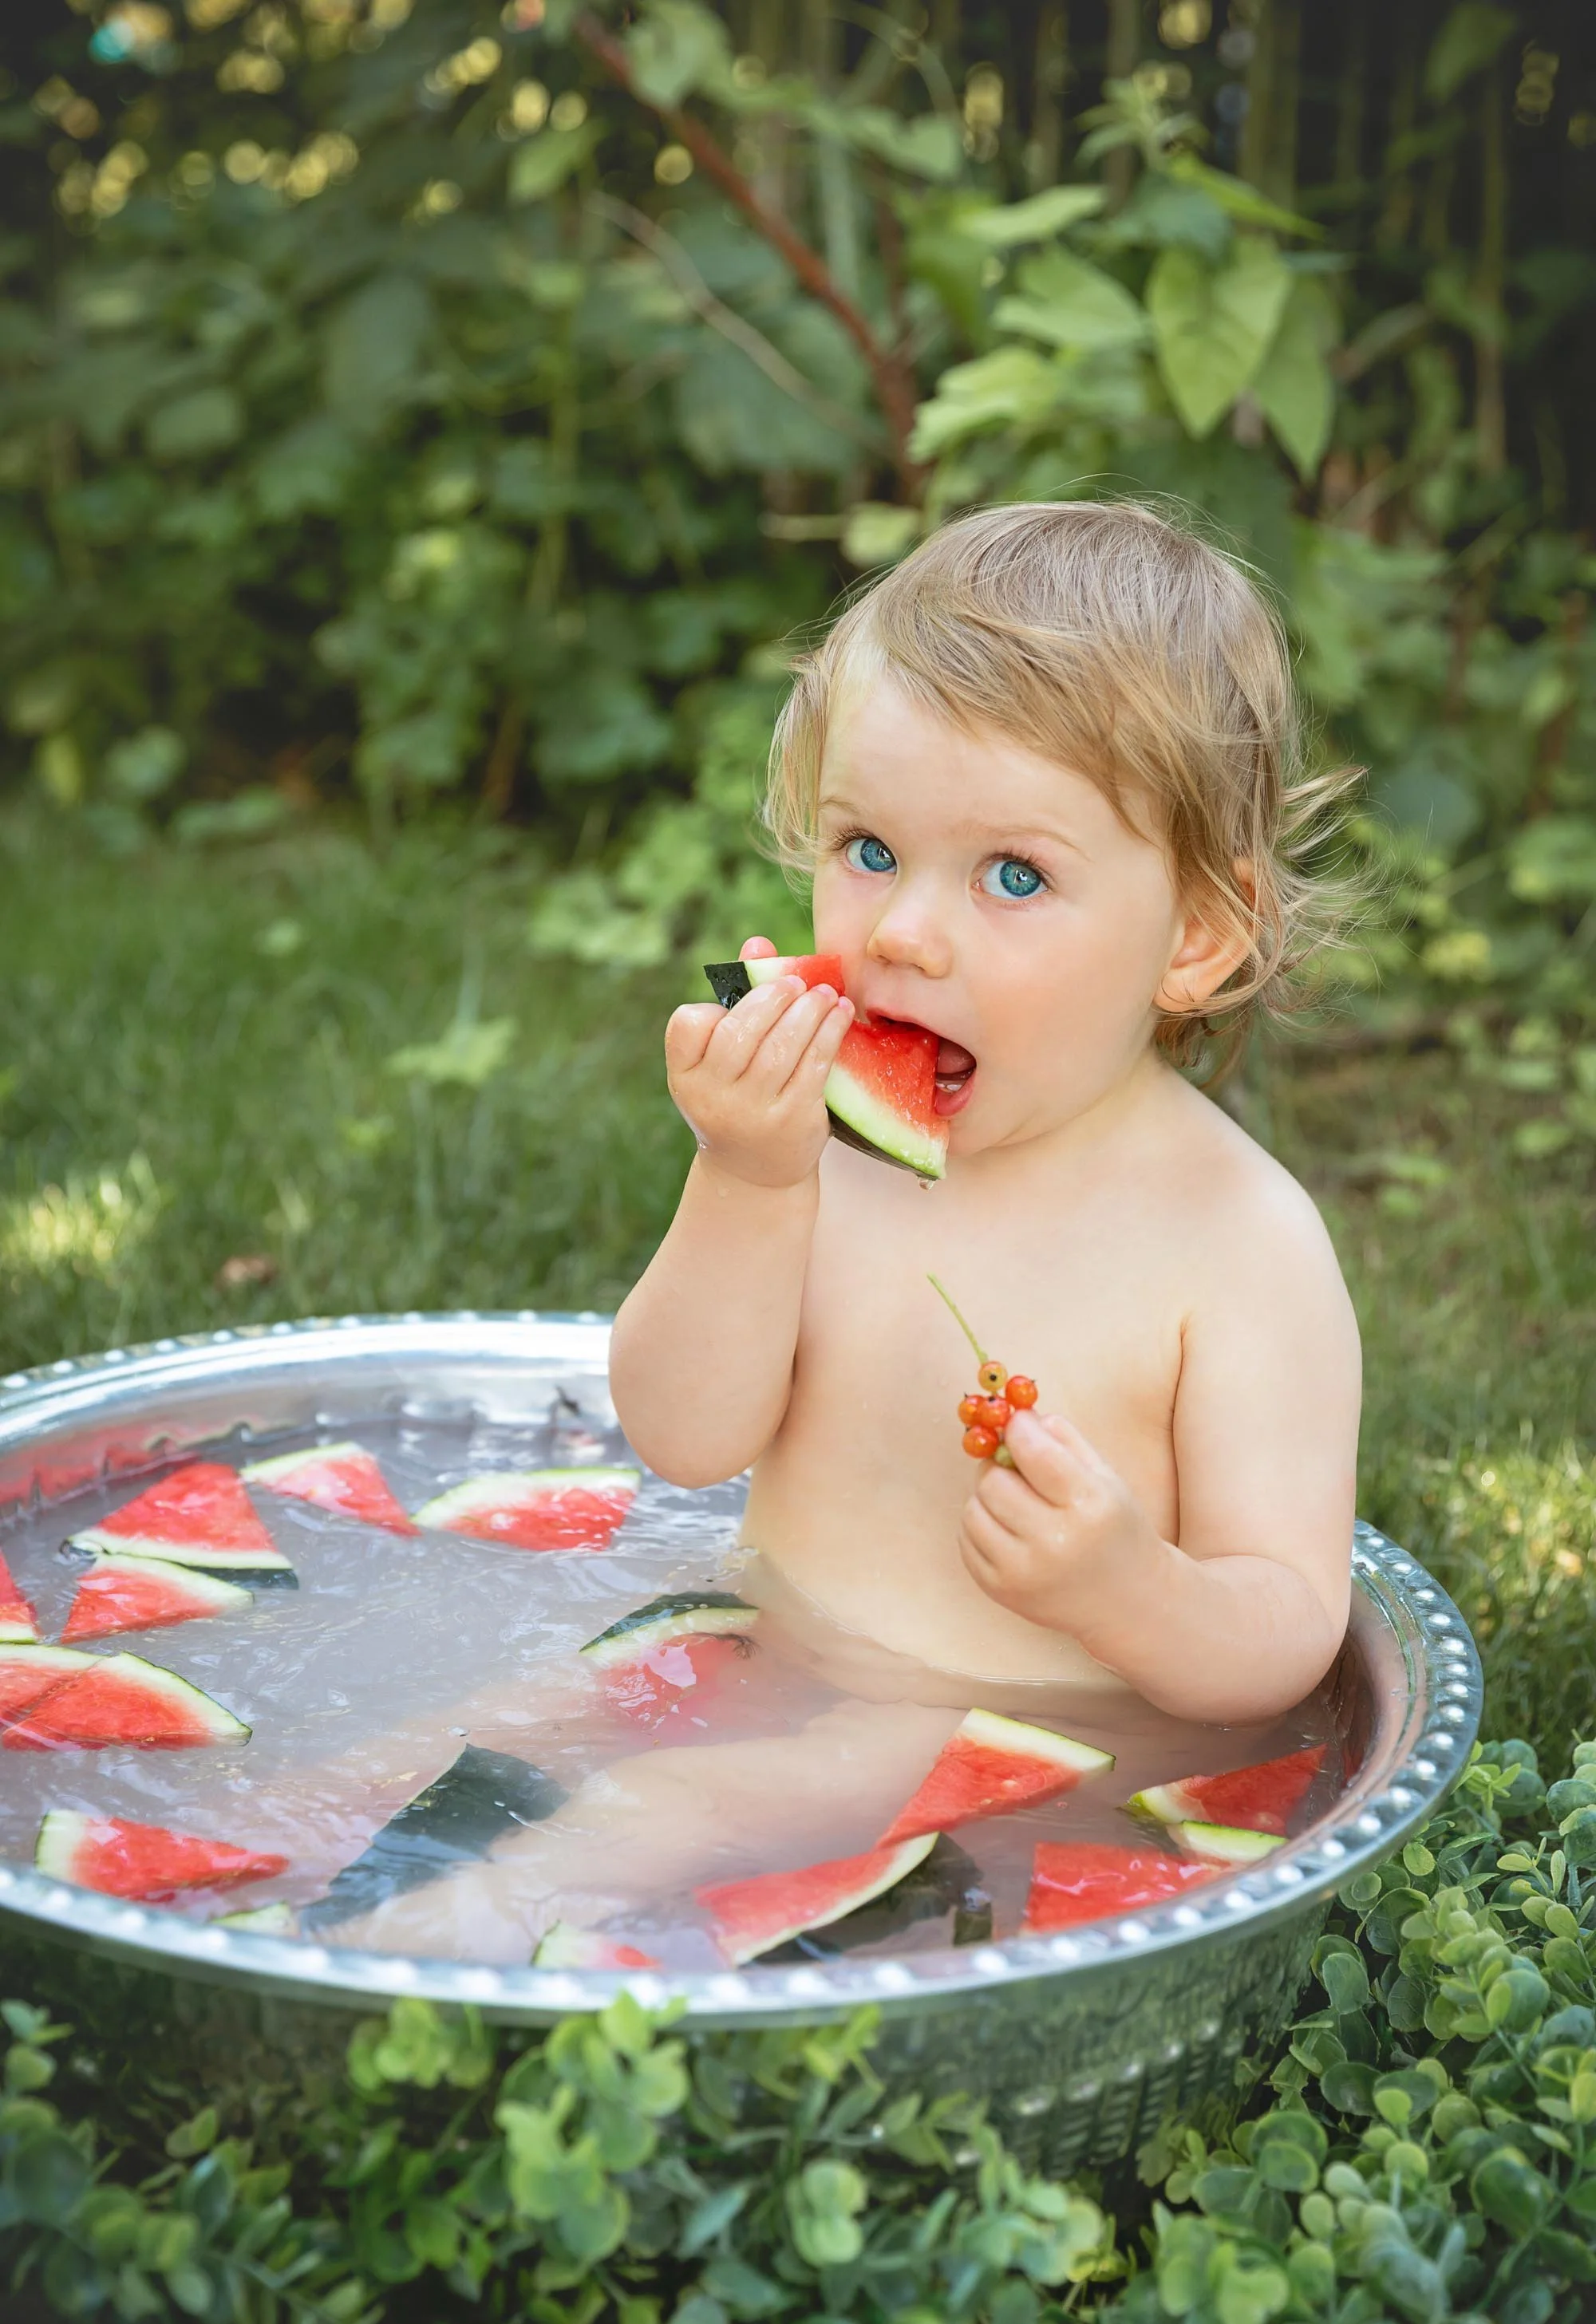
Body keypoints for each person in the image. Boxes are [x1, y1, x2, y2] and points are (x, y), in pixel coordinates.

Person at [325, 500, 1362, 1961]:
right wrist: (746, 1181)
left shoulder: (1242, 1245)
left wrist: (1131, 1591)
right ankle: (246, 1879)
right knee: (442, 1733)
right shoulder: (831, 1154)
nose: (902, 934)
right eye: (869, 848)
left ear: (1196, 934)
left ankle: (407, 1980)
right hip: (758, 1643)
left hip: (1016, 1738)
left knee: (672, 1802)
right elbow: (683, 1437)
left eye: (1013, 876)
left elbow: (1290, 1632)